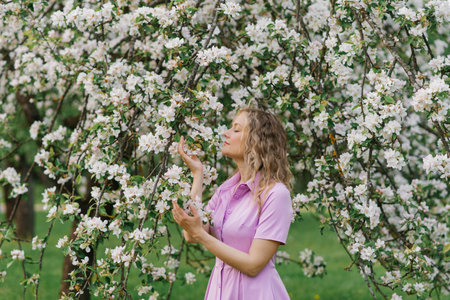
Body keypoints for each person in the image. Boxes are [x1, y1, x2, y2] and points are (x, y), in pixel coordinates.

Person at [172, 107, 293, 299]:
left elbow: (254, 265)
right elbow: (193, 234)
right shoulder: (226, 190)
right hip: (220, 291)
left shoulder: (276, 194)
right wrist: (197, 174)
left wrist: (200, 235)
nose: (225, 133)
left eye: (236, 130)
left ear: (257, 142)